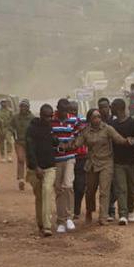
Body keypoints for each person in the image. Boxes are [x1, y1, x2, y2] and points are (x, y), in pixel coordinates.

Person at [68, 108, 131, 224]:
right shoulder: (86, 131)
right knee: (90, 191)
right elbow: (77, 144)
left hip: (106, 162)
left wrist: (127, 141)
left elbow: (118, 139)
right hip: (92, 163)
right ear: (89, 120)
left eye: (98, 117)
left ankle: (103, 217)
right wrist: (68, 145)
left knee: (104, 190)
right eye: (94, 117)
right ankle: (89, 211)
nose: (97, 119)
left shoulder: (107, 129)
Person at [26, 104, 57, 237]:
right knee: (39, 196)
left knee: (47, 191)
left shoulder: (51, 128)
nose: (49, 119)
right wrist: (36, 167)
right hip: (35, 169)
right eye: (46, 116)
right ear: (40, 114)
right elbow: (30, 149)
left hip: (50, 167)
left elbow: (53, 142)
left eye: (51, 116)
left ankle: (47, 225)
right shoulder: (32, 129)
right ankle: (40, 223)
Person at [109, 98, 134, 225]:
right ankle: (123, 214)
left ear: (118, 109)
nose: (111, 109)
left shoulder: (133, 123)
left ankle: (131, 209)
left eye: (112, 107)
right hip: (118, 162)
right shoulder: (113, 125)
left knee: (131, 188)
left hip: (131, 161)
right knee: (121, 189)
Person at [51, 98, 78, 233]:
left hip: (69, 157)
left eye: (66, 111)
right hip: (56, 159)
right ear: (58, 109)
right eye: (62, 111)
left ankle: (69, 217)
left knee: (68, 186)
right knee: (58, 188)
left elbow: (78, 136)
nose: (64, 114)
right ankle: (60, 220)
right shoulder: (51, 120)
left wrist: (69, 145)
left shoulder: (73, 120)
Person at [69, 101, 88, 220]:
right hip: (68, 157)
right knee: (68, 185)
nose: (73, 113)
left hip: (82, 158)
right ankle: (70, 209)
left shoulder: (84, 122)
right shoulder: (64, 123)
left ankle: (76, 209)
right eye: (71, 111)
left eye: (75, 110)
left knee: (80, 186)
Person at [11, 99, 35, 191]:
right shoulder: (15, 117)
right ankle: (20, 179)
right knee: (21, 159)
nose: (23, 108)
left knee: (30, 162)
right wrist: (12, 132)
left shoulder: (32, 118)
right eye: (21, 106)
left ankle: (30, 179)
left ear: (28, 107)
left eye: (25, 106)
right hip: (19, 142)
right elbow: (10, 126)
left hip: (30, 143)